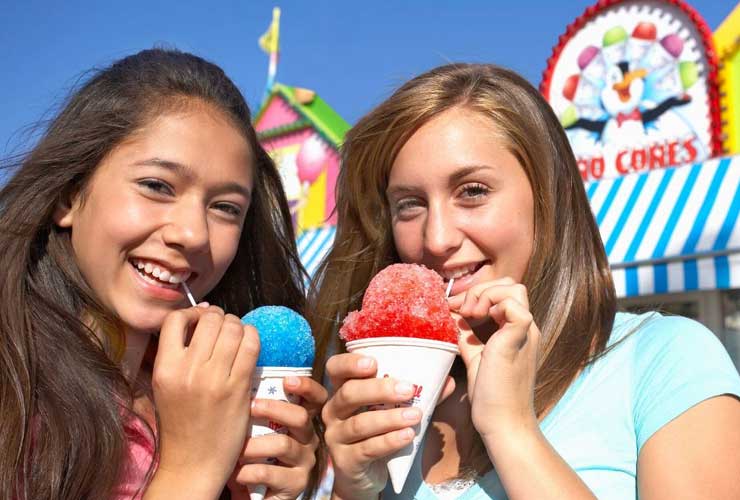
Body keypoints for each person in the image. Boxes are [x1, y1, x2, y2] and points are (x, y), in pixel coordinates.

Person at [310, 63, 740, 499]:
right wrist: (352, 489)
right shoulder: (398, 395)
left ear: (547, 197)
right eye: (409, 204)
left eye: (472, 191)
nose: (436, 239)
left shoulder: (665, 358)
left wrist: (512, 430)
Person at [0, 48, 326, 499]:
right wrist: (192, 468)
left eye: (226, 208)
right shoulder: (14, 389)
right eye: (157, 186)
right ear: (70, 197)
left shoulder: (213, 390)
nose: (193, 233)